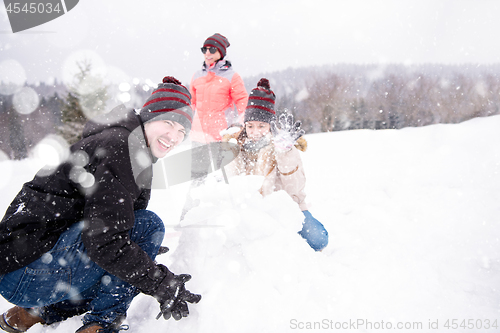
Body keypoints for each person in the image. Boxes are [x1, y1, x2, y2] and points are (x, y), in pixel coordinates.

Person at [0, 77, 201, 333]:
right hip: (27, 272)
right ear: (149, 117)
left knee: (129, 250)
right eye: (168, 123)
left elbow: (110, 225)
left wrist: (137, 251)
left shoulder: (127, 145)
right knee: (148, 227)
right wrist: (159, 281)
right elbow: (105, 242)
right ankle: (102, 326)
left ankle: (35, 312)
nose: (174, 136)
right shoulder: (122, 148)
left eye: (182, 132)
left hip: (16, 269)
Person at [222, 78, 328, 251]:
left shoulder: (281, 146)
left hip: (285, 208)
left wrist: (285, 154)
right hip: (250, 210)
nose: (255, 132)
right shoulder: (236, 146)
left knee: (318, 240)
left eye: (261, 126)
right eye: (250, 126)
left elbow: (295, 190)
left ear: (271, 126)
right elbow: (232, 185)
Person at [189, 33, 248, 143]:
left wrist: (244, 124)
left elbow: (243, 103)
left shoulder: (232, 76)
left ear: (221, 52)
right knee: (197, 161)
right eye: (204, 50)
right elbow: (190, 104)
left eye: (212, 50)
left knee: (222, 161)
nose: (207, 53)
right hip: (198, 135)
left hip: (221, 135)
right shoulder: (197, 76)